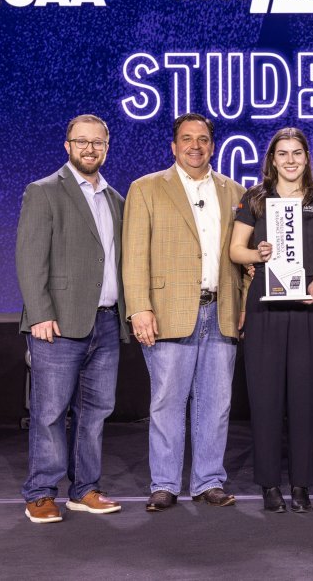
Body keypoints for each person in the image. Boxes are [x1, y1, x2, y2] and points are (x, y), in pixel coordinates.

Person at [123, 113, 247, 512]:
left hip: (221, 310)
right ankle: (164, 483)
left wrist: (244, 304)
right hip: (167, 312)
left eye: (203, 139)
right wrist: (139, 308)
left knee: (216, 403)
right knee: (167, 403)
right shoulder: (146, 188)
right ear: (173, 146)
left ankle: (208, 481)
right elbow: (134, 255)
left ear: (213, 145)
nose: (196, 146)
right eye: (187, 139)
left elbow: (243, 260)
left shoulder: (235, 192)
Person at [16, 114, 127, 523]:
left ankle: (84, 489)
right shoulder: (44, 191)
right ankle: (41, 492)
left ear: (106, 148)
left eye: (97, 142)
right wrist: (40, 313)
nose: (89, 149)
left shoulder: (116, 199)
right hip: (58, 323)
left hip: (106, 322)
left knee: (95, 411)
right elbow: (29, 258)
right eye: (81, 141)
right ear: (68, 146)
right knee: (49, 412)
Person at [230, 127, 313, 513]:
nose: (290, 160)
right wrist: (257, 254)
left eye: (297, 153)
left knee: (305, 397)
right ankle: (269, 485)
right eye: (283, 154)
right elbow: (235, 250)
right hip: (265, 309)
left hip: (308, 306)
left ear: (307, 158)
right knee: (266, 397)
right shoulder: (255, 199)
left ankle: (300, 483)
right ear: (272, 160)